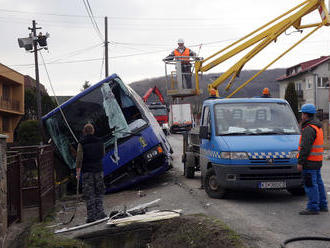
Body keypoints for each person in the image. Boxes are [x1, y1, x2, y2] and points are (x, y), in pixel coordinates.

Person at [297, 103, 328, 215]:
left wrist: (300, 162)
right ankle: (322, 205)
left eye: (302, 114)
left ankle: (313, 207)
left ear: (306, 115)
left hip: (309, 162)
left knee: (310, 184)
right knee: (318, 183)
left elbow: (305, 148)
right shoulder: (317, 127)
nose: (301, 116)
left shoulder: (308, 129)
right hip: (317, 161)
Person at [76, 123, 107, 223]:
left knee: (89, 194)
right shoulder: (100, 141)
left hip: (87, 171)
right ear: (93, 130)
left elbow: (79, 158)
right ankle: (100, 213)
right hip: (98, 169)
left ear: (84, 131)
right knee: (99, 191)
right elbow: (103, 154)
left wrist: (78, 170)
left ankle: (91, 216)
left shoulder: (81, 143)